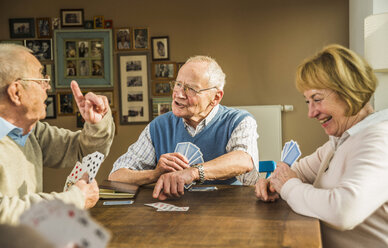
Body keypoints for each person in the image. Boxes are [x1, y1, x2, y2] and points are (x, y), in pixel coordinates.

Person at [255, 44, 388, 247]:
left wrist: (288, 186)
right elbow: (297, 171)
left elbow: (344, 211)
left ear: (348, 92)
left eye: (317, 99)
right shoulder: (341, 141)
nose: (311, 113)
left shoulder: (378, 139)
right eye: (308, 102)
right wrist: (274, 181)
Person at [110, 55, 259, 200]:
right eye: (178, 84)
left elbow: (244, 160)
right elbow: (116, 176)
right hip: (175, 217)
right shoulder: (159, 126)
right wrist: (155, 174)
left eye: (191, 89)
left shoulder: (239, 120)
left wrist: (194, 172)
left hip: (225, 215)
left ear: (216, 98)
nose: (179, 94)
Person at [0, 44, 115, 224]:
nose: (48, 87)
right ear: (16, 92)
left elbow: (83, 152)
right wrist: (75, 199)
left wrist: (96, 123)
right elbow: (3, 213)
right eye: (41, 80)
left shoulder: (31, 131)